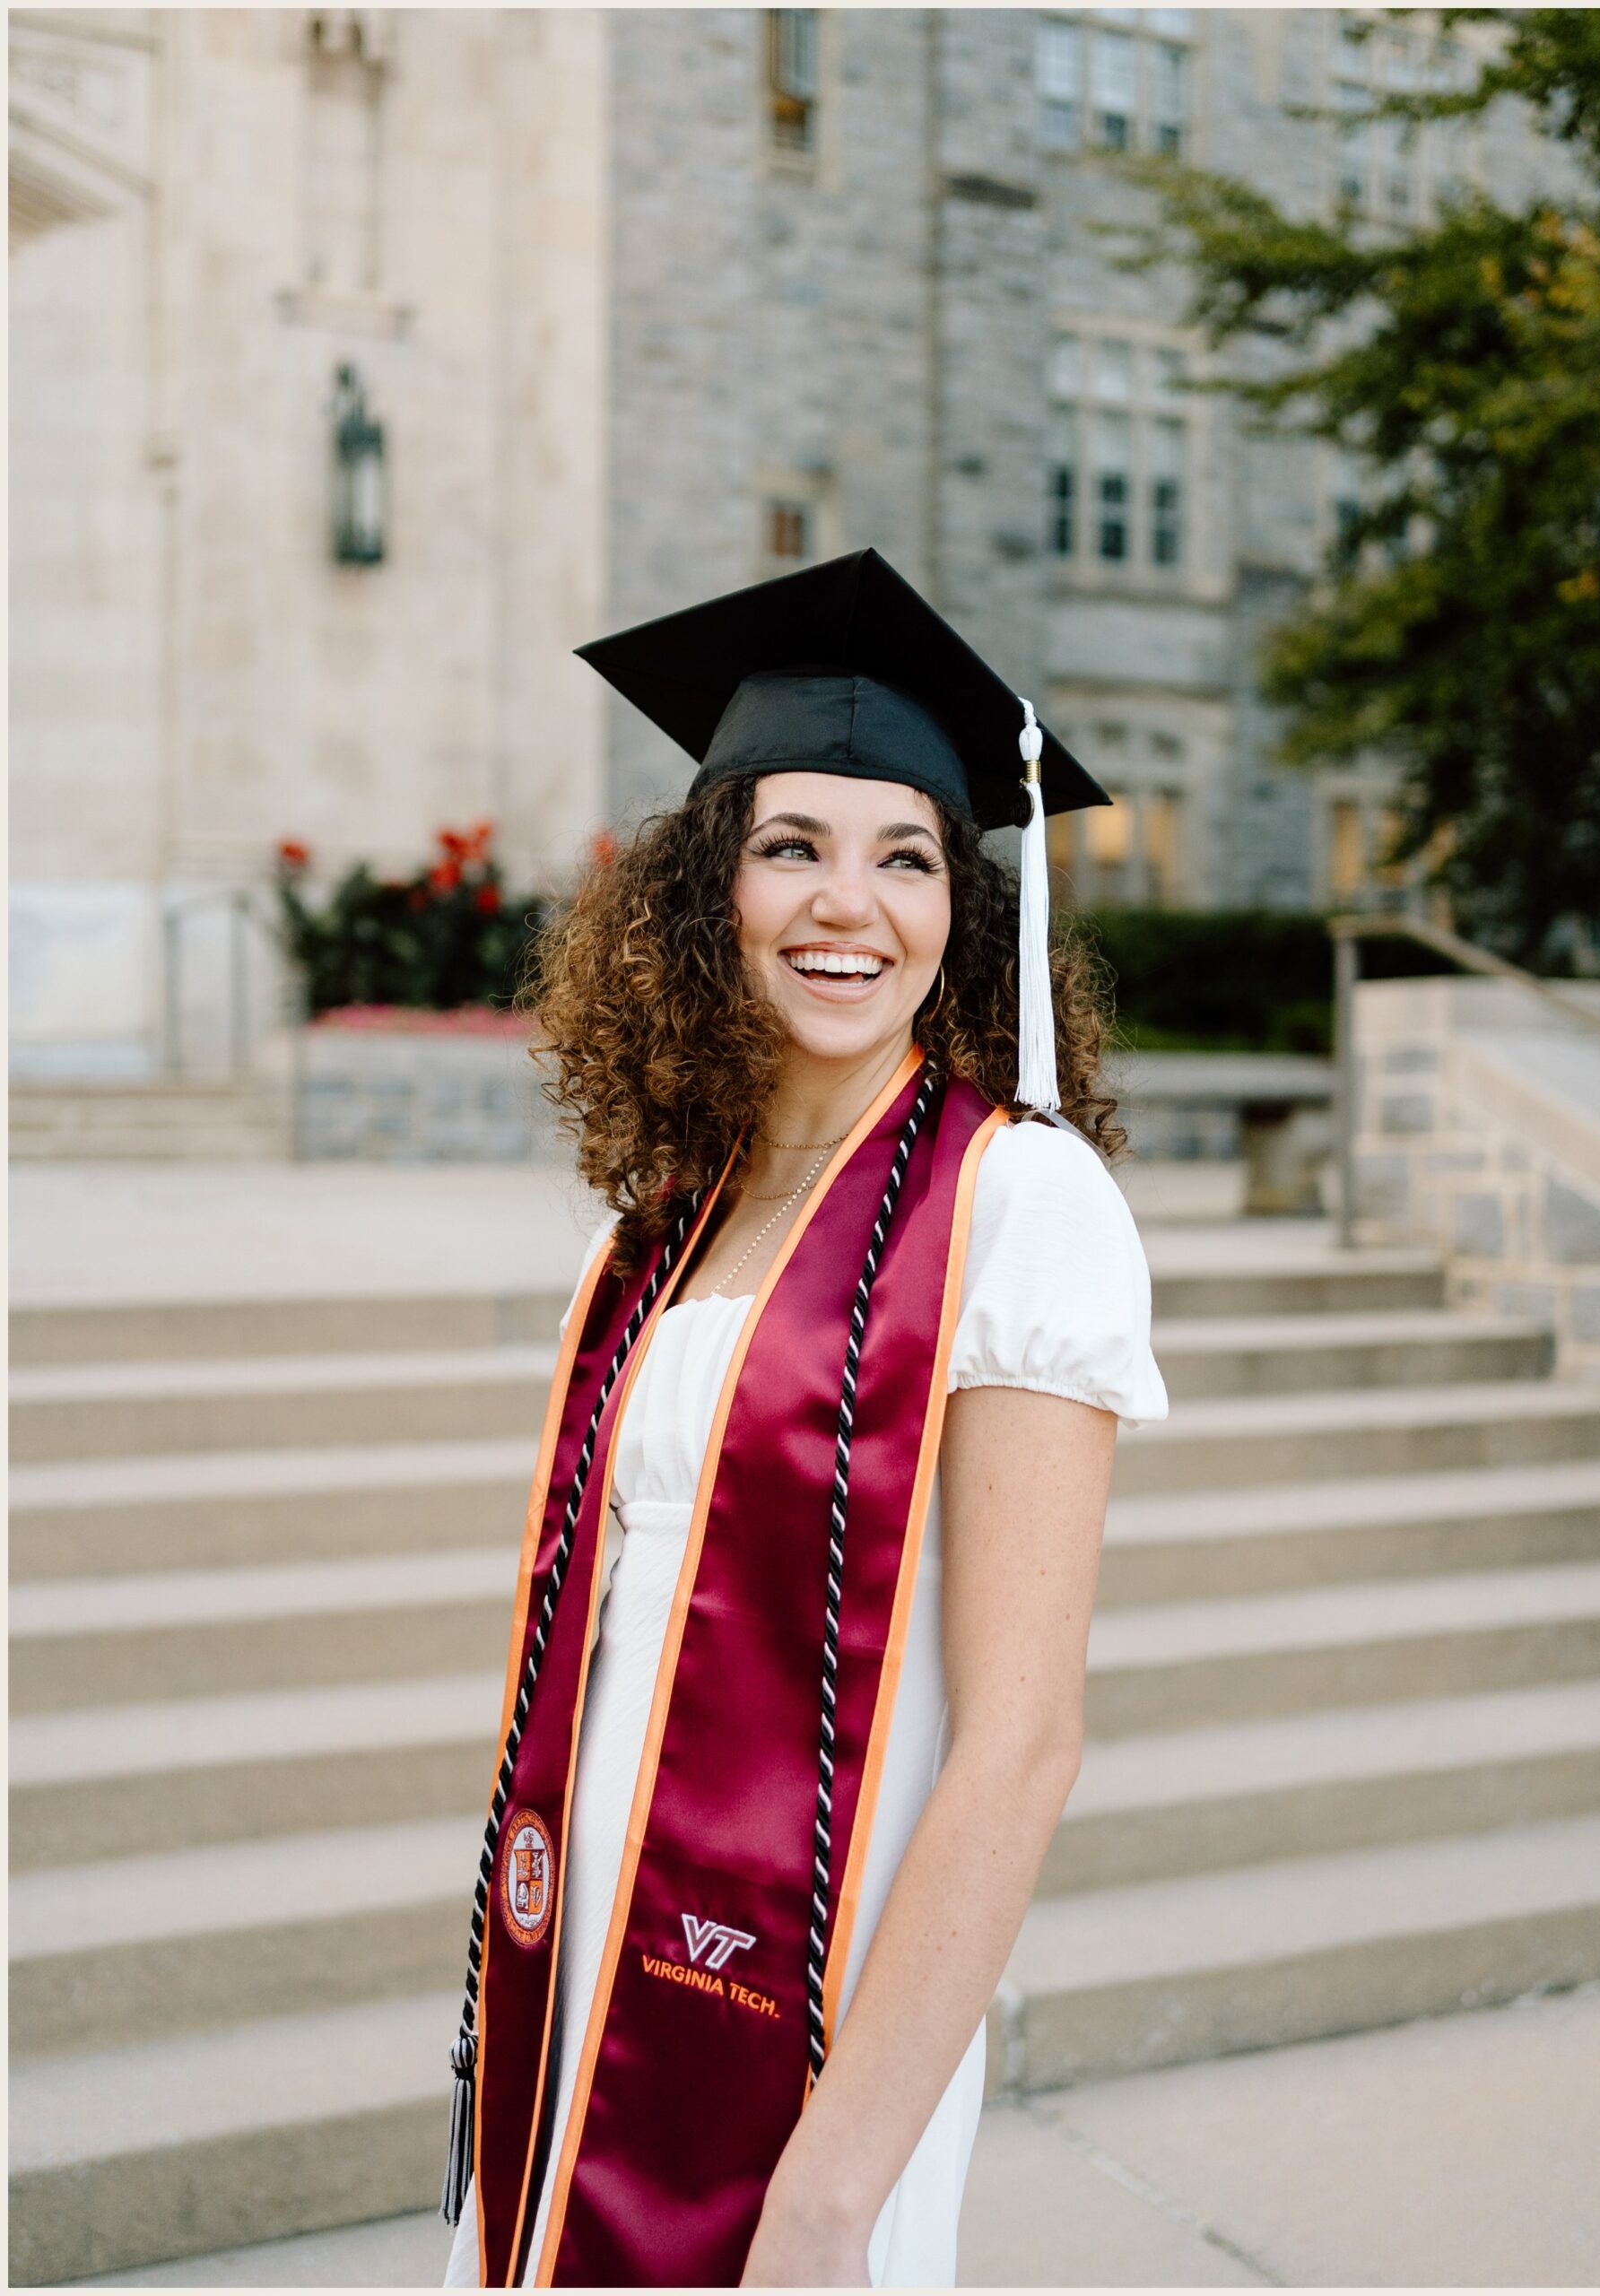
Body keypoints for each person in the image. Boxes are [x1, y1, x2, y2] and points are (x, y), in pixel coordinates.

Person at [440, 548, 1168, 2290]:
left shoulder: (1018, 1203)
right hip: (580, 1980)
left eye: (906, 854)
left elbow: (1020, 1740)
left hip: (820, 2023)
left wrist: (834, 2188)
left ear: (964, 906)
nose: (851, 903)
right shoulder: (667, 1220)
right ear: (709, 890)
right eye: (793, 846)